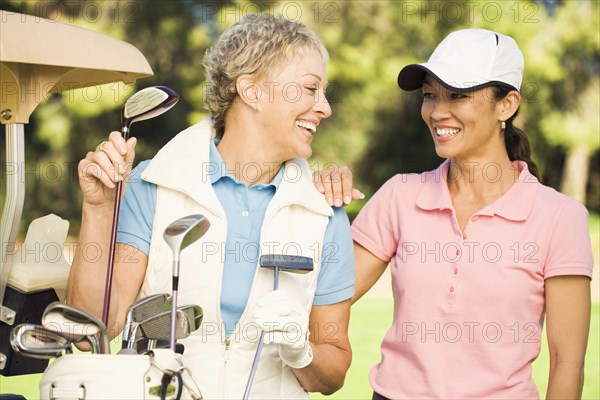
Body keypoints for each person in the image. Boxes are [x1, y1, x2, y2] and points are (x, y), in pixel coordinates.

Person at [67, 14, 355, 398]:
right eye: (309, 88)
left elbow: (333, 373)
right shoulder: (153, 184)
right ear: (251, 90)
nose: (325, 108)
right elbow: (96, 328)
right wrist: (99, 208)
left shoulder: (323, 211)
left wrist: (301, 351)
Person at [351, 29, 593, 399]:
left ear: (507, 105)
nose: (437, 111)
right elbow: (325, 294)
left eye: (458, 95)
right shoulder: (399, 195)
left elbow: (567, 363)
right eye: (430, 95)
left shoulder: (561, 217)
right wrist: (311, 203)